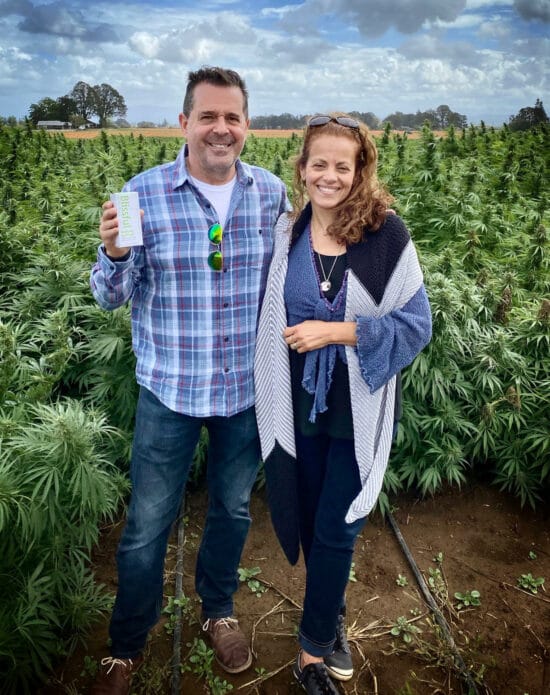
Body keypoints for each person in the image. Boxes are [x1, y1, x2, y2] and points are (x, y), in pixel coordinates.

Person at [89, 66, 289, 695]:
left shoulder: (272, 195)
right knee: (149, 524)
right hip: (169, 392)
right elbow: (108, 298)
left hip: (242, 394)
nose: (220, 128)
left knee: (231, 510)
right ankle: (126, 646)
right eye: (208, 116)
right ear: (184, 123)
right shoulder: (139, 194)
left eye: (232, 117)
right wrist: (116, 254)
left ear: (248, 127)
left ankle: (218, 611)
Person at [254, 113, 432, 695]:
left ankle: (310, 654)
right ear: (301, 169)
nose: (329, 175)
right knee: (308, 518)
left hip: (359, 404)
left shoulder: (386, 237)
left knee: (337, 526)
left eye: (342, 165)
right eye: (318, 163)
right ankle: (329, 616)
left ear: (359, 172)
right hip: (300, 398)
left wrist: (335, 333)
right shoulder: (288, 234)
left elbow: (415, 325)